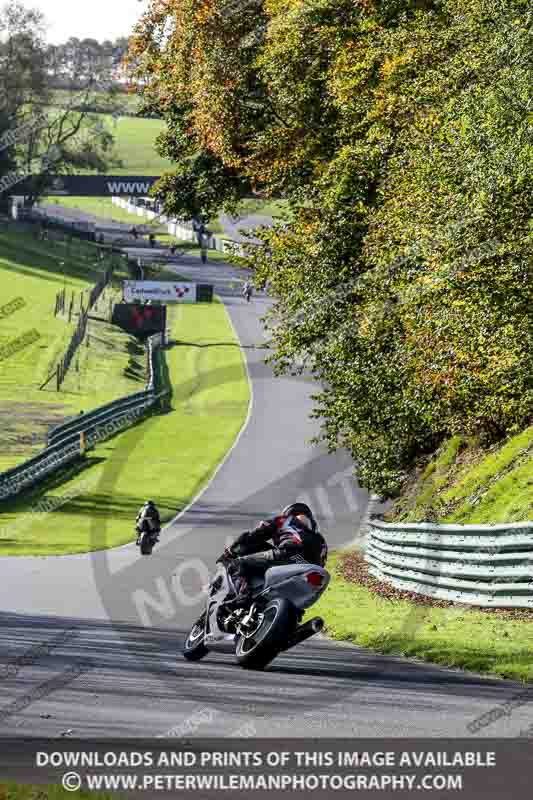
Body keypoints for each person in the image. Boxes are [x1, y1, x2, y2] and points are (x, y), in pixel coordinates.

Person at [221, 503, 328, 606]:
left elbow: (255, 535)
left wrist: (230, 551)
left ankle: (243, 597)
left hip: (287, 554)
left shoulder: (285, 520)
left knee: (238, 564)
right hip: (307, 571)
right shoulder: (322, 541)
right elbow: (321, 565)